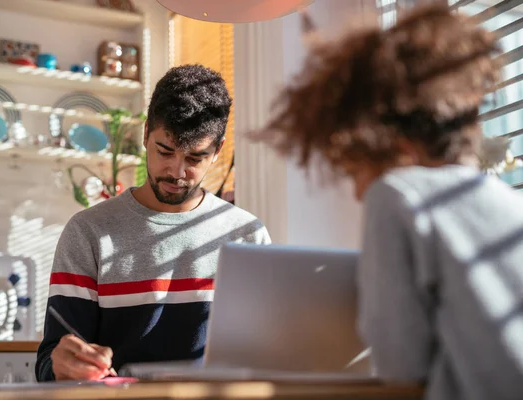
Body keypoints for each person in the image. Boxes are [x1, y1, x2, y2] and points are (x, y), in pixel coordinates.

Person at [252, 4, 523, 400]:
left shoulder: (397, 194)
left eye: (355, 171)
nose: (359, 192)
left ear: (393, 147)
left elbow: (401, 366)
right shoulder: (503, 200)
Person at [36, 64, 271, 382]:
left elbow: (266, 355)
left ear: (217, 151)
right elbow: (49, 364)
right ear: (146, 134)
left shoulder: (247, 236)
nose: (177, 172)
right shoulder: (89, 232)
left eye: (194, 159)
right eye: (165, 151)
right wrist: (64, 364)